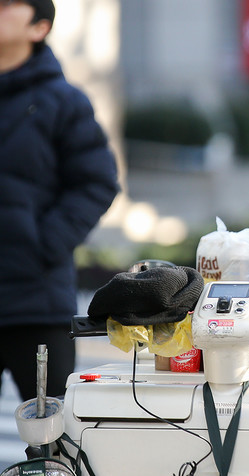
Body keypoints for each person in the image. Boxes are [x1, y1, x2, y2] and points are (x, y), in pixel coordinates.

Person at [0, 0, 119, 400]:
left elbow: (97, 182)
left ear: (39, 27)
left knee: (51, 445)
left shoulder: (63, 101)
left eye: (6, 5)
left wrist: (43, 243)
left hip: (36, 300)